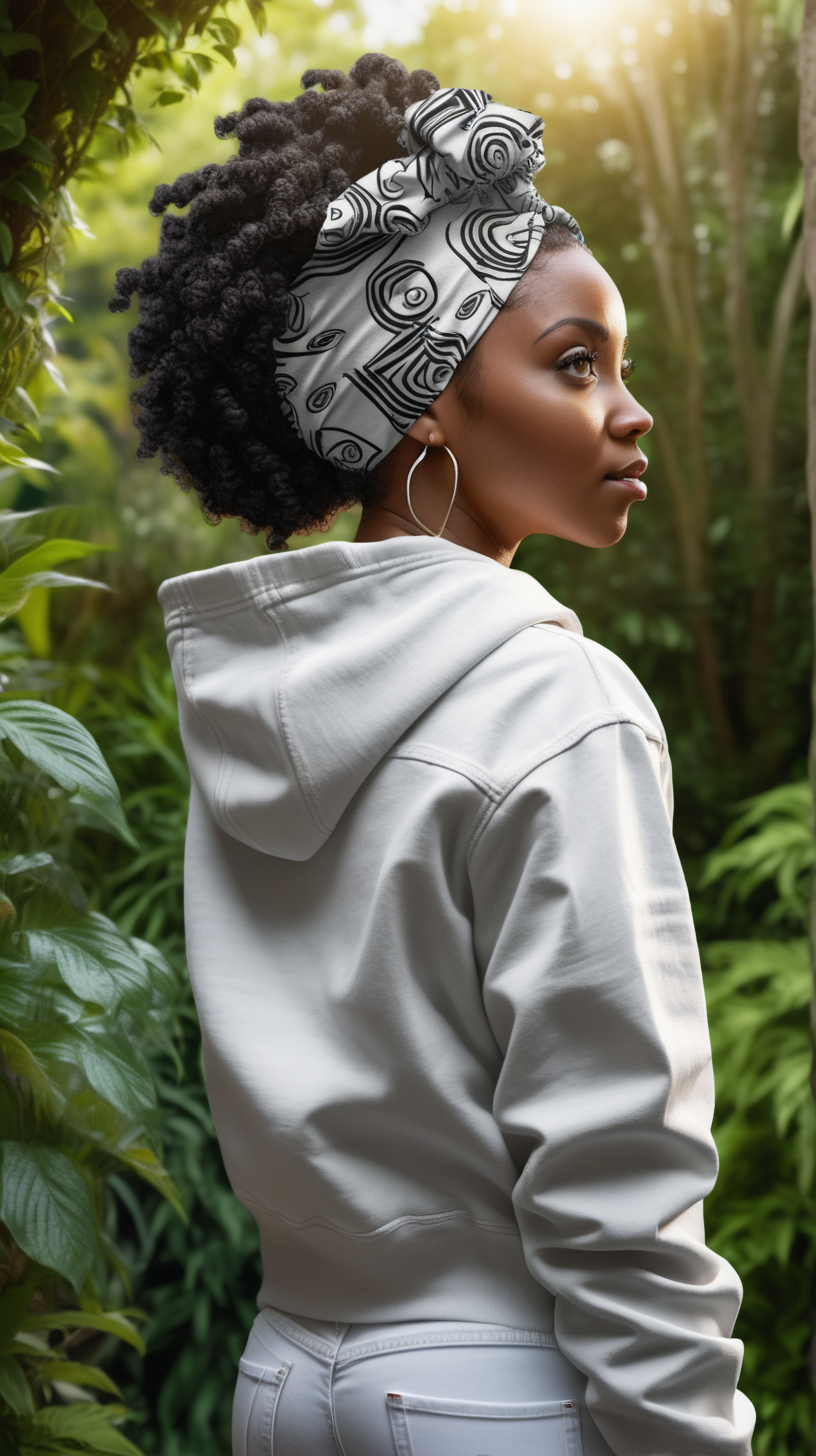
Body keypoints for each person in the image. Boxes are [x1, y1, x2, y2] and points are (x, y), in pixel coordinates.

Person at [112, 54, 755, 1456]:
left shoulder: (245, 696)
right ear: (420, 403)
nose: (629, 412)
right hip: (497, 1392)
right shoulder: (556, 702)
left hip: (284, 1378)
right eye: (576, 364)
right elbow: (619, 1169)